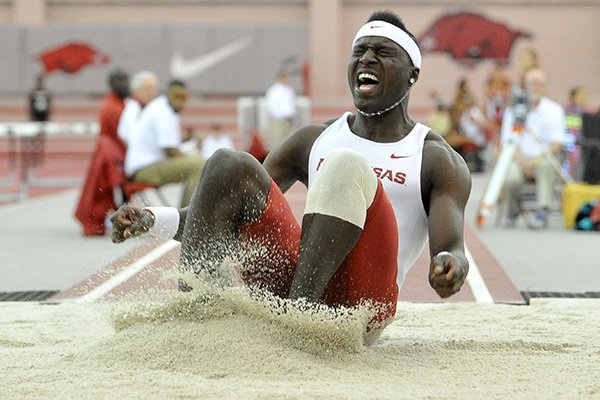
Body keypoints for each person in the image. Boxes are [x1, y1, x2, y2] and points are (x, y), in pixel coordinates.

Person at [111, 10, 471, 337]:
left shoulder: (435, 159)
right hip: (299, 285)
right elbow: (223, 215)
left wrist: (450, 267)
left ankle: (297, 326)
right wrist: (149, 219)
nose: (366, 58)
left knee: (345, 164)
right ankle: (200, 321)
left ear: (413, 75)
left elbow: (451, 249)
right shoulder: (312, 139)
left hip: (364, 305)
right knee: (227, 165)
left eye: (383, 52)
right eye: (359, 50)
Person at [500, 68, 566, 229]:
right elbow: (507, 142)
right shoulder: (512, 111)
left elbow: (556, 144)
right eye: (532, 84)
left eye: (539, 84)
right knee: (511, 177)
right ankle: (512, 213)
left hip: (543, 158)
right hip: (519, 158)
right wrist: (523, 162)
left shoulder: (554, 110)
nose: (535, 88)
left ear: (545, 87)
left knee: (545, 167)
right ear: (525, 86)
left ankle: (542, 211)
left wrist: (535, 161)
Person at [124, 80, 205, 208]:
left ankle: (185, 214)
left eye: (183, 98)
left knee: (195, 162)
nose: (180, 102)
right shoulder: (163, 112)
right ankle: (189, 216)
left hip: (146, 166)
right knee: (200, 165)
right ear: (168, 94)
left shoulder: (161, 107)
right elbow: (170, 149)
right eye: (176, 97)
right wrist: (190, 156)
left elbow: (169, 145)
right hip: (145, 170)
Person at [74, 67, 130, 236]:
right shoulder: (113, 108)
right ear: (112, 84)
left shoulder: (116, 104)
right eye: (122, 81)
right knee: (116, 188)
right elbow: (121, 137)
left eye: (127, 81)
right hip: (113, 156)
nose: (127, 85)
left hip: (111, 154)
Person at [118, 70, 159, 146]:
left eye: (154, 89)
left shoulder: (156, 109)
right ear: (135, 91)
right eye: (148, 89)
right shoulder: (132, 109)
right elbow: (125, 135)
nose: (152, 93)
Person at [265, 70, 296, 150]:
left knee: (287, 141)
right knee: (277, 142)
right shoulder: (273, 91)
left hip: (287, 119)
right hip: (277, 119)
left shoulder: (289, 90)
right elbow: (271, 106)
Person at [564, 85, 589, 180]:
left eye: (585, 95)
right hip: (571, 147)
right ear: (573, 97)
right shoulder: (569, 112)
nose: (584, 98)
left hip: (582, 146)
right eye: (581, 95)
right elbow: (570, 130)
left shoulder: (585, 112)